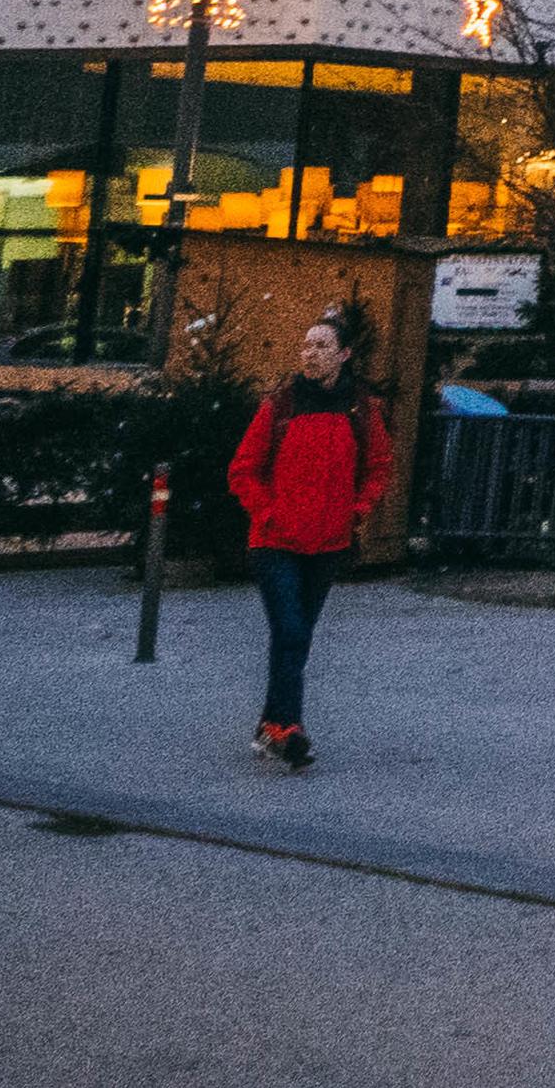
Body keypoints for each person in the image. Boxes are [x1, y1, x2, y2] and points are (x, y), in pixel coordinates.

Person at [226, 304, 392, 770]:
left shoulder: (361, 409)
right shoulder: (279, 407)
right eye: (306, 345)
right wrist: (268, 512)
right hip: (275, 542)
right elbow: (242, 470)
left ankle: (269, 724)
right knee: (292, 630)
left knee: (294, 636)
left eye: (321, 346)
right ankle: (289, 729)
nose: (310, 353)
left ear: (344, 354)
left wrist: (357, 510)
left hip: (328, 543)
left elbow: (378, 466)